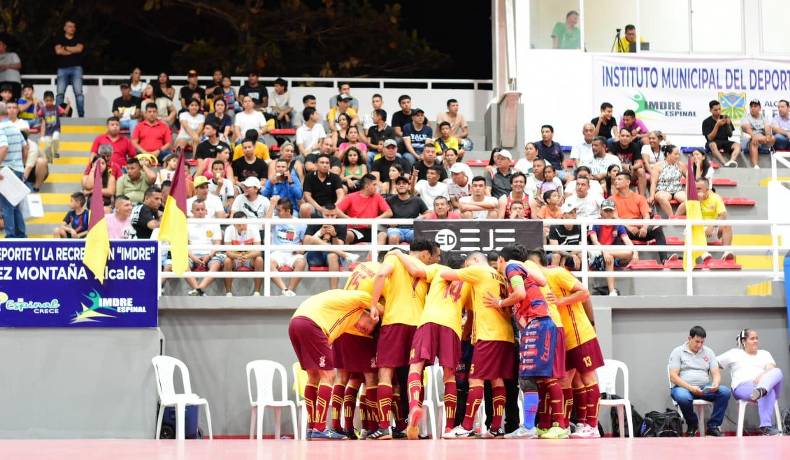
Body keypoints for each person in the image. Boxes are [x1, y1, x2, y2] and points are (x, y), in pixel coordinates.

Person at [366, 240, 439, 440]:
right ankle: (411, 426)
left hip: (394, 322)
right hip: (419, 326)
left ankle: (383, 427)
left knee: (386, 374)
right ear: (425, 254)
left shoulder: (394, 257)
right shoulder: (428, 269)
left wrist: (373, 305)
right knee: (414, 376)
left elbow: (381, 274)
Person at [289, 289, 380, 440]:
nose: (365, 331)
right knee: (329, 375)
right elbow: (378, 306)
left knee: (313, 377)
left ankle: (312, 428)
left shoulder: (348, 322)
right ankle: (320, 429)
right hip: (311, 323)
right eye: (369, 327)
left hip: (295, 323)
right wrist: (380, 310)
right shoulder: (358, 299)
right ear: (370, 314)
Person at [441, 252, 514, 438]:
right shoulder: (500, 276)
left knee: (475, 380)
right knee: (497, 380)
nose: (467, 269)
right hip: (505, 335)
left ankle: (465, 427)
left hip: (488, 334)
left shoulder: (478, 270)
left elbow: (445, 275)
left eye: (467, 265)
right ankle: (496, 427)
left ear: (473, 261)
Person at [404, 254, 472, 439]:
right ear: (465, 265)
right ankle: (448, 428)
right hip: (452, 326)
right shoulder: (468, 281)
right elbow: (472, 312)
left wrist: (398, 254)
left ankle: (413, 409)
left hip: (428, 321)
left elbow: (416, 270)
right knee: (449, 376)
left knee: (415, 368)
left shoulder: (437, 269)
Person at [718, 329, 785, 436]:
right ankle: (766, 427)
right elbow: (714, 364)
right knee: (768, 392)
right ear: (744, 341)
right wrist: (715, 381)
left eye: (757, 338)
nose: (756, 341)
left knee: (777, 371)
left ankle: (761, 390)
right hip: (743, 387)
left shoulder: (764, 353)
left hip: (763, 383)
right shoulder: (734, 353)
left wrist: (762, 376)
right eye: (752, 338)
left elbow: (771, 369)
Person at [668, 325, 731, 437]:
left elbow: (716, 373)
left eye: (702, 342)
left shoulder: (709, 352)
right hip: (684, 388)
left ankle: (713, 426)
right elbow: (673, 376)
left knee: (725, 392)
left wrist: (716, 383)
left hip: (704, 388)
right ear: (689, 338)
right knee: (682, 397)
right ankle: (692, 424)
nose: (699, 345)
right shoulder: (678, 351)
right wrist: (690, 387)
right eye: (697, 341)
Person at [610, 171, 675, 263]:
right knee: (618, 228)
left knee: (657, 228)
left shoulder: (639, 198)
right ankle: (624, 261)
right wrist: (629, 227)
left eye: (619, 179)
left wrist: (644, 227)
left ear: (628, 182)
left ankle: (665, 260)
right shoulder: (611, 199)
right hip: (625, 230)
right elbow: (615, 217)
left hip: (640, 231)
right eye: (615, 179)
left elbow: (646, 215)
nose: (616, 181)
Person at [677, 178, 734, 262]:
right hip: (696, 231)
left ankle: (727, 252)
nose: (696, 191)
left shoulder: (715, 198)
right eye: (695, 189)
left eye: (699, 189)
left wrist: (712, 224)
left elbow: (723, 215)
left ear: (707, 190)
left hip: (712, 231)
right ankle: (704, 254)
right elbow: (677, 214)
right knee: (692, 228)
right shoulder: (692, 199)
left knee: (727, 225)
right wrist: (692, 201)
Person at [588, 199, 637, 296]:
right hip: (597, 254)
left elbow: (627, 240)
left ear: (614, 211)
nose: (608, 213)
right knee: (609, 258)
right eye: (606, 210)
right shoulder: (594, 223)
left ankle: (610, 254)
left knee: (629, 252)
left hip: (611, 252)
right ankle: (612, 291)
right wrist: (604, 251)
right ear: (601, 211)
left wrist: (635, 253)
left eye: (610, 211)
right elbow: (595, 241)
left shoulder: (618, 224)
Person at [183, 199, 224, 296]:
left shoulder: (213, 223)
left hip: (210, 254)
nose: (200, 212)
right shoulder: (186, 223)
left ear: (206, 211)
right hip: (192, 255)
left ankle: (199, 289)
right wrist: (193, 257)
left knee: (216, 264)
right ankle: (198, 290)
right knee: (182, 264)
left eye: (202, 209)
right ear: (192, 212)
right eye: (197, 210)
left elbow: (217, 243)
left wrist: (209, 256)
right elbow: (183, 244)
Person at [336, 173, 392, 244]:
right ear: (367, 186)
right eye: (374, 184)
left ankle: (372, 255)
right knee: (347, 235)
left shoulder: (377, 197)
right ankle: (345, 255)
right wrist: (349, 219)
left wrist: (374, 221)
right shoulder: (350, 197)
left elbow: (389, 212)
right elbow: (336, 211)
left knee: (383, 235)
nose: (377, 187)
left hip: (372, 229)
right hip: (355, 230)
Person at [269, 198, 308, 296]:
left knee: (301, 262)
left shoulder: (301, 223)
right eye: (276, 210)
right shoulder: (275, 220)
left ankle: (290, 290)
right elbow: (265, 223)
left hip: (293, 253)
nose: (277, 212)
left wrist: (300, 251)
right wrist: (272, 204)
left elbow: (304, 242)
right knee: (268, 263)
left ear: (288, 211)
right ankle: (285, 290)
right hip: (277, 252)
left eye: (279, 210)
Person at [381, 176, 428, 245]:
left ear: (409, 186)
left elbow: (428, 213)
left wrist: (421, 217)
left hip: (412, 229)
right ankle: (393, 255)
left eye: (404, 183)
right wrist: (388, 223)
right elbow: (382, 215)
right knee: (393, 237)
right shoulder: (389, 200)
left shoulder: (417, 200)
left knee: (419, 237)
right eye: (398, 183)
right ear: (395, 187)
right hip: (395, 229)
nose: (401, 185)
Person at [54, 20, 85, 117]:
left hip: (77, 68)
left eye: (73, 26)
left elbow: (79, 49)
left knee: (79, 94)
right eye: (69, 26)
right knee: (60, 94)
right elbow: (58, 51)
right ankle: (57, 116)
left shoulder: (79, 38)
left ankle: (81, 116)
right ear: (64, 28)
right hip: (62, 69)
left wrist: (65, 48)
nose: (72, 28)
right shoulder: (59, 38)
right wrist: (73, 49)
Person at [649, 145, 687, 218]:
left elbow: (690, 178)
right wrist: (651, 196)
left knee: (689, 200)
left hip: (678, 190)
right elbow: (653, 183)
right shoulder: (658, 165)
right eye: (675, 154)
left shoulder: (681, 165)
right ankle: (671, 216)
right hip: (662, 190)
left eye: (678, 154)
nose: (678, 156)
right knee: (660, 197)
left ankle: (676, 216)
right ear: (668, 154)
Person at [702, 100, 741, 167]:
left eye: (719, 109)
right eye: (715, 110)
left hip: (725, 141)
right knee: (713, 144)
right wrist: (717, 125)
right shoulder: (706, 122)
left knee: (737, 145)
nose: (718, 112)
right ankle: (725, 163)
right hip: (713, 142)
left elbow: (730, 135)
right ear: (710, 110)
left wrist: (728, 124)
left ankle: (731, 161)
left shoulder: (725, 118)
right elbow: (710, 138)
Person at [610, 128, 647, 195]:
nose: (625, 138)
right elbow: (609, 161)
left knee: (641, 171)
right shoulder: (613, 145)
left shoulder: (635, 146)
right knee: (612, 172)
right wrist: (623, 166)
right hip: (618, 171)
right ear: (619, 136)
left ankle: (642, 197)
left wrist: (631, 167)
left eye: (627, 136)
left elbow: (639, 163)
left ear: (631, 138)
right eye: (623, 135)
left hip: (630, 172)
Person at [741, 99, 774, 169]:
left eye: (755, 106)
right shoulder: (746, 117)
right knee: (754, 141)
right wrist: (754, 136)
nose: (753, 108)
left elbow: (768, 129)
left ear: (760, 108)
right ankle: (755, 165)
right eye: (751, 106)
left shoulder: (764, 118)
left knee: (773, 138)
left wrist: (768, 136)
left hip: (762, 140)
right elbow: (746, 128)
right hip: (750, 140)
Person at [549, 202, 583, 270]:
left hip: (574, 253)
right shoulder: (554, 227)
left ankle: (584, 280)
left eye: (575, 212)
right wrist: (568, 256)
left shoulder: (580, 226)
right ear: (563, 215)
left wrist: (569, 255)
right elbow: (555, 249)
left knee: (582, 255)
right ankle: (552, 279)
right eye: (570, 213)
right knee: (556, 256)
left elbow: (581, 246)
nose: (574, 215)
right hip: (560, 253)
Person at [37, 91, 69, 161]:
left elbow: (65, 112)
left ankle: (55, 152)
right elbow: (37, 115)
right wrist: (37, 105)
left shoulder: (57, 108)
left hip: (56, 129)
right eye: (47, 100)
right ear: (44, 100)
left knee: (55, 138)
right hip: (47, 132)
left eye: (50, 100)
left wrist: (69, 104)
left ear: (53, 100)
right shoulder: (43, 109)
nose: (49, 102)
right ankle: (49, 160)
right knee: (47, 146)